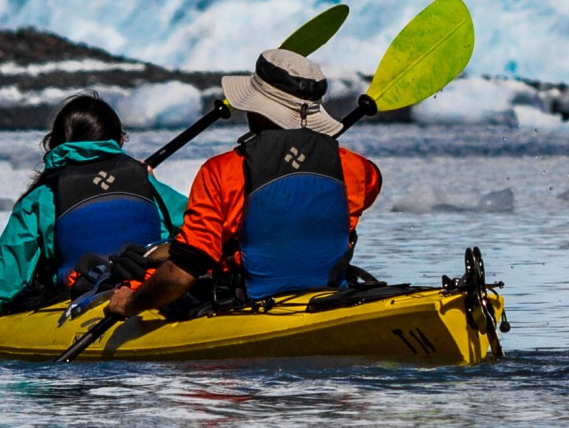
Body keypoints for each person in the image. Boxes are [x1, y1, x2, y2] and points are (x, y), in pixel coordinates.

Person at [105, 47, 381, 320]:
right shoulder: (360, 169)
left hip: (246, 303)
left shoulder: (220, 171)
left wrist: (129, 304)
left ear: (258, 110)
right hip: (328, 292)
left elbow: (182, 273)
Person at [0, 93, 185, 351]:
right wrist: (147, 186)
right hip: (151, 291)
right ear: (120, 141)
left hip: (82, 299)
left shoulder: (42, 198)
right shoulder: (151, 185)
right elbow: (203, 230)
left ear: (53, 145)